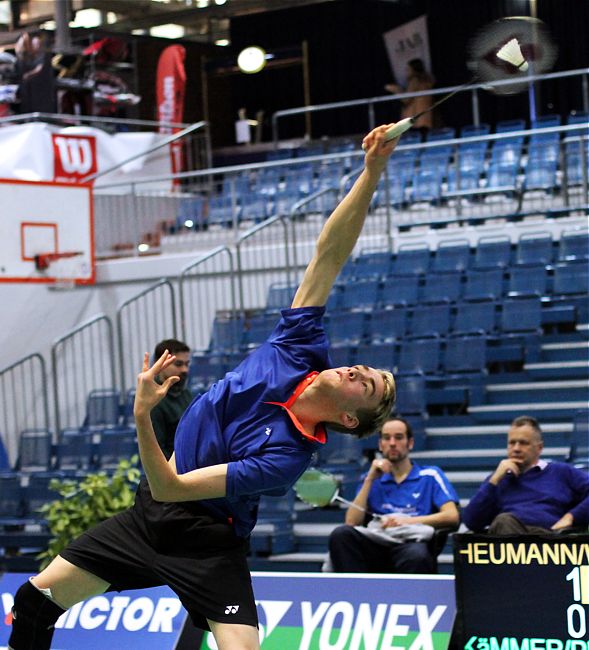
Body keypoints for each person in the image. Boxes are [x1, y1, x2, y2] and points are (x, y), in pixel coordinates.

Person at [9, 123, 400, 650]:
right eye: (364, 368)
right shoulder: (300, 346)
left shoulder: (288, 458)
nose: (357, 371)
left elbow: (175, 484)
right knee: (35, 602)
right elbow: (328, 254)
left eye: (368, 386)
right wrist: (372, 170)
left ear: (350, 419)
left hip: (209, 542)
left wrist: (143, 415)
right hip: (149, 519)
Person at [328, 417, 460, 574]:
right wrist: (370, 479)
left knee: (416, 555)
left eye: (398, 437)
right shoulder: (371, 478)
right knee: (341, 535)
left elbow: (452, 516)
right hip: (377, 543)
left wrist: (407, 521)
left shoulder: (430, 475)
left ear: (410, 443)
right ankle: (355, 594)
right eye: (386, 438)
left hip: (410, 542)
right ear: (380, 445)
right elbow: (351, 522)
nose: (392, 443)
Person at [462, 415, 589, 535]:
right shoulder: (497, 480)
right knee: (503, 521)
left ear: (539, 448)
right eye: (512, 443)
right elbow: (471, 522)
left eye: (523, 443)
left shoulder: (561, 472)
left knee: (504, 522)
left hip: (549, 541)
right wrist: (494, 480)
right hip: (507, 536)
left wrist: (571, 517)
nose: (516, 448)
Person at [150, 338, 193, 460]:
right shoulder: (153, 400)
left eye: (187, 364)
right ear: (161, 364)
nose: (185, 370)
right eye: (178, 364)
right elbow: (157, 449)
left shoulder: (187, 394)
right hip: (172, 471)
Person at [385, 58, 434, 136]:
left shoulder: (415, 80)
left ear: (413, 69)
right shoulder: (427, 80)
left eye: (408, 69)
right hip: (425, 119)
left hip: (416, 119)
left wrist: (395, 90)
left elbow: (406, 99)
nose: (406, 72)